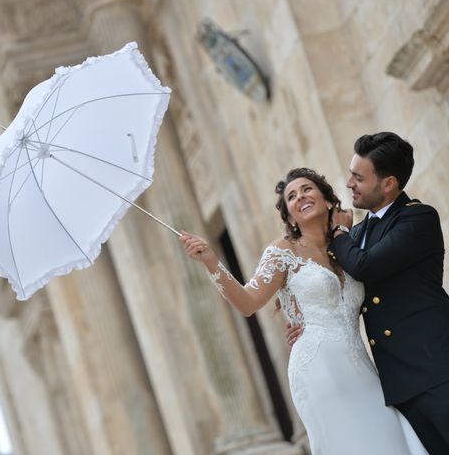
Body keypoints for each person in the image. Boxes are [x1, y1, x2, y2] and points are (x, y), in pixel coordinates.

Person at [180, 167, 427, 454]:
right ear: (290, 216)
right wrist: (211, 261)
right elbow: (247, 302)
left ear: (326, 198)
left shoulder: (348, 244)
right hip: (318, 367)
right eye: (292, 197)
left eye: (307, 189)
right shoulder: (283, 252)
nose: (300, 197)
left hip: (362, 367)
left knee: (391, 439)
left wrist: (342, 230)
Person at [286, 132, 449, 454]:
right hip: (398, 382)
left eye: (359, 177)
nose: (348, 184)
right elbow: (331, 282)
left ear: (388, 184)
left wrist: (338, 231)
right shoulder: (358, 233)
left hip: (438, 370)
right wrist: (305, 321)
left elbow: (365, 267)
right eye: (350, 174)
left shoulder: (416, 218)